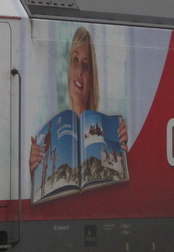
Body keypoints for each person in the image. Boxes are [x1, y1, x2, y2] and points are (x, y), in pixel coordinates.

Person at [29, 27, 127, 177]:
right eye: (75, 60)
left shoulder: (108, 127)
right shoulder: (52, 126)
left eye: (85, 65)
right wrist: (34, 170)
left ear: (92, 81)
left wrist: (125, 154)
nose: (79, 71)